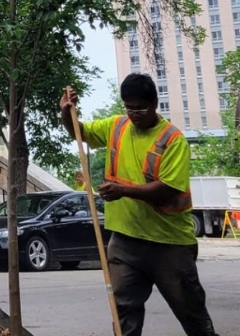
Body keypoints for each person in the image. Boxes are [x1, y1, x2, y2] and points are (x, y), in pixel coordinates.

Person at [59, 73, 217, 336]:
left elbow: (167, 189)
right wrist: (66, 112)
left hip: (169, 244)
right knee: (124, 313)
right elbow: (80, 132)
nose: (135, 113)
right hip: (125, 241)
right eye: (129, 107)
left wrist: (123, 190)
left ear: (155, 103)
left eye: (140, 107)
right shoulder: (116, 126)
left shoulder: (172, 139)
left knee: (192, 314)